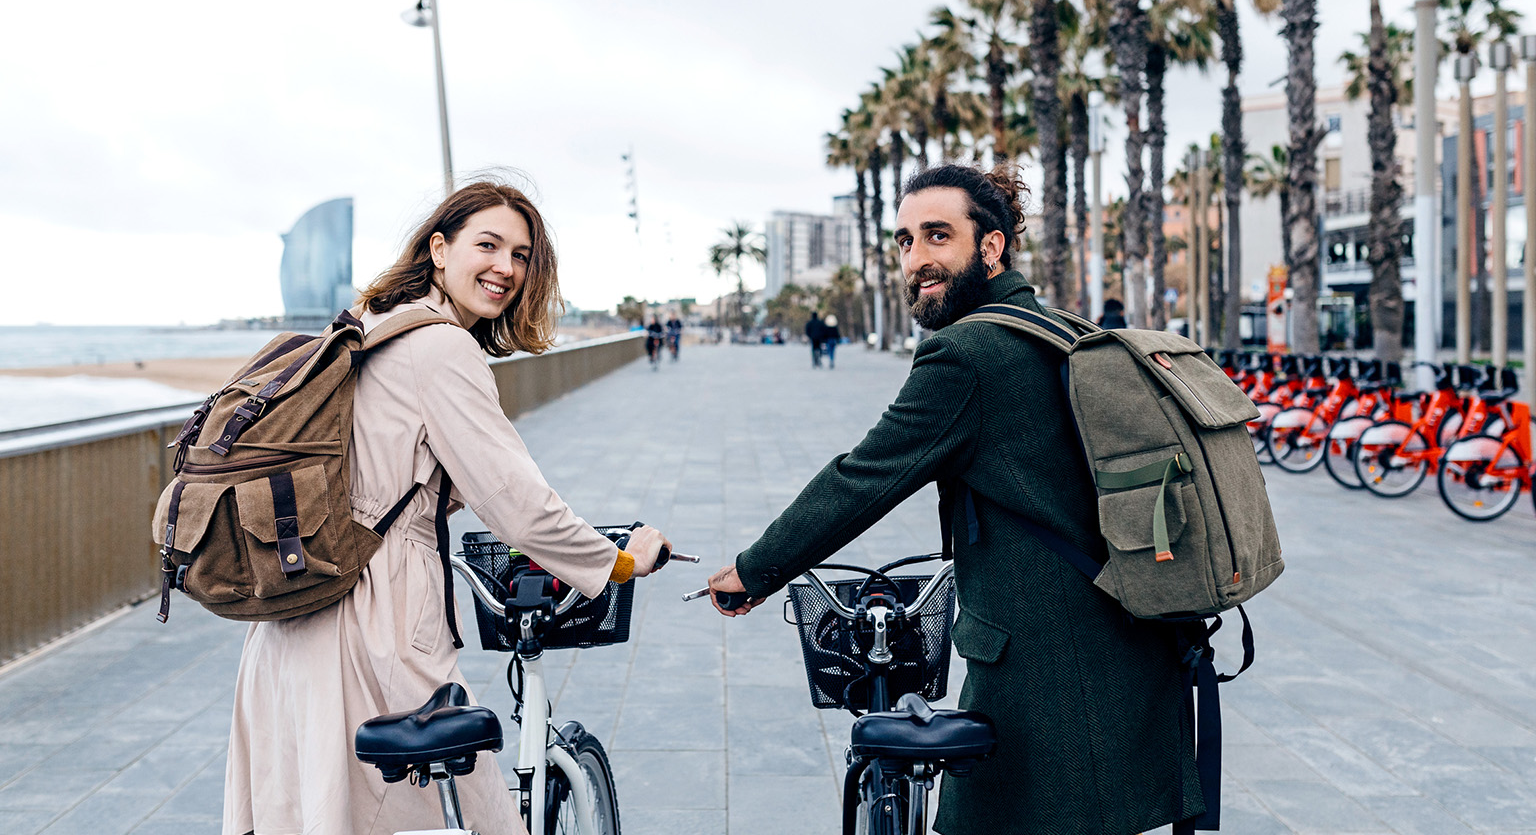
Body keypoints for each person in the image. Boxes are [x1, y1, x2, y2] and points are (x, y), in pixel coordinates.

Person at [707, 163, 1201, 835]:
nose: (917, 258)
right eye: (906, 241)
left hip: (1048, 677)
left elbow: (865, 477)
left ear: (991, 247)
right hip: (1124, 650)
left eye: (938, 235)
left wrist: (755, 569)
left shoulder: (967, 353)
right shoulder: (1057, 328)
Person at [223, 180, 673, 835]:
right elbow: (517, 505)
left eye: (521, 255)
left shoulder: (369, 327)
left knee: (314, 808)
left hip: (294, 615)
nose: (506, 269)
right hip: (374, 620)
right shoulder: (441, 348)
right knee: (457, 808)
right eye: (487, 245)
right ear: (439, 248)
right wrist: (620, 562)